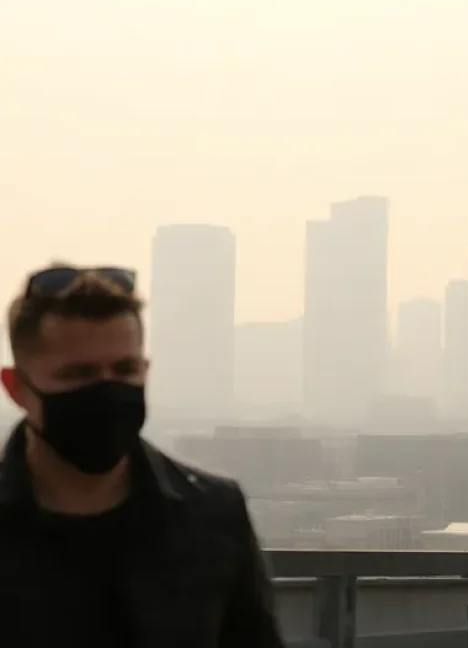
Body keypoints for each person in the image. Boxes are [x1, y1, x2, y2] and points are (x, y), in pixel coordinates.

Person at [0, 264, 286, 648]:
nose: (107, 390)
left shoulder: (213, 516)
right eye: (78, 374)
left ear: (145, 370)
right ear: (16, 388)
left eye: (125, 369)